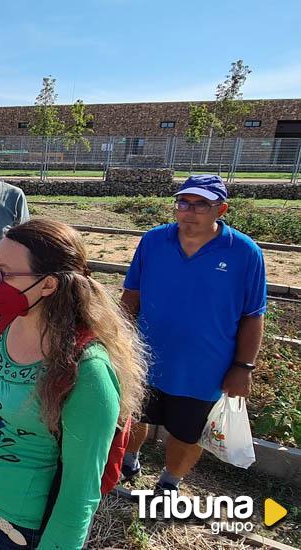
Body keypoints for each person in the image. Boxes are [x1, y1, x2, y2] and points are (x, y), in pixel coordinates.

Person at [0, 219, 147, 549]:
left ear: (49, 285)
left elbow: (80, 493)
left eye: (3, 274)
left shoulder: (87, 372)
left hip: (16, 531)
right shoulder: (10, 323)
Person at [120, 175, 266, 492]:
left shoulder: (245, 253)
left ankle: (169, 482)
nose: (190, 210)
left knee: (188, 433)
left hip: (204, 369)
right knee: (134, 418)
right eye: (184, 202)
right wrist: (120, 344)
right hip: (145, 358)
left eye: (202, 204)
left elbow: (253, 316)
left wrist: (243, 367)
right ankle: (128, 461)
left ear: (221, 210)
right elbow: (131, 296)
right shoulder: (154, 241)